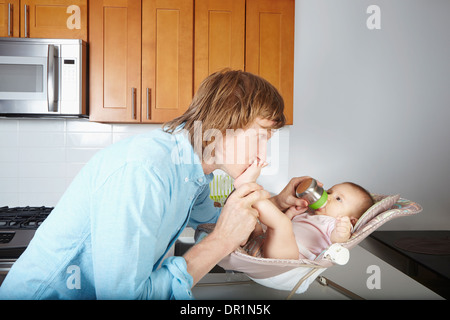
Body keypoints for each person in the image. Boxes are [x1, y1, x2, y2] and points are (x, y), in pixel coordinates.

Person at [0, 70, 311, 300]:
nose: (263, 156)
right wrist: (221, 242)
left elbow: (216, 218)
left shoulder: (194, 172)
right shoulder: (145, 171)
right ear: (224, 120)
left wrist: (277, 203)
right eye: (260, 136)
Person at [233, 160, 374, 260]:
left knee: (281, 224)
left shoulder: (337, 223)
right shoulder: (309, 214)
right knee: (253, 220)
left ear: (351, 219)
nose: (328, 197)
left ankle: (247, 188)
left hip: (286, 259)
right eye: (329, 192)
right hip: (260, 244)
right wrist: (291, 213)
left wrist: (343, 231)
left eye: (338, 199)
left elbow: (338, 241)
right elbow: (284, 231)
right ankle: (246, 194)